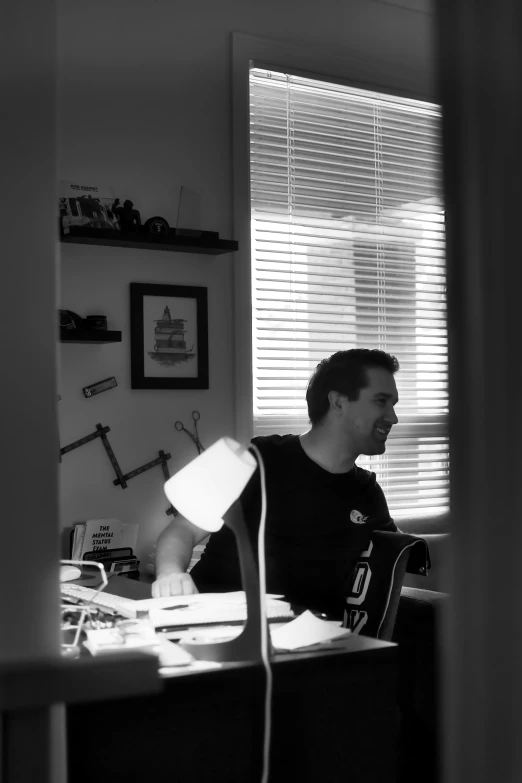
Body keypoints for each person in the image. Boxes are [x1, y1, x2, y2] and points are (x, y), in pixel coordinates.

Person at [152, 348, 400, 618]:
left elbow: (402, 558)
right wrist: (170, 575)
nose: (393, 417)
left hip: (310, 647)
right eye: (380, 401)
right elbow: (182, 530)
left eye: (393, 404)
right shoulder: (254, 458)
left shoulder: (367, 493)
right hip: (215, 631)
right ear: (338, 402)